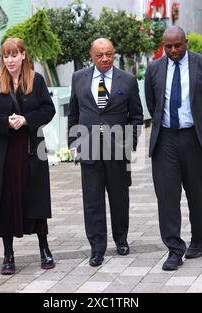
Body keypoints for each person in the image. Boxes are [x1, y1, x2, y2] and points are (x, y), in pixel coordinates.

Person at [0, 38, 56, 275]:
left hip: (30, 149)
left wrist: (26, 120)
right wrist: (5, 122)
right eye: (5, 56)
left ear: (23, 55)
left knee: (36, 198)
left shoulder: (36, 80)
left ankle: (44, 249)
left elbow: (47, 109)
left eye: (13, 55)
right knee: (6, 202)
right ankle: (8, 255)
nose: (9, 60)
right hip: (3, 152)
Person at [144, 26, 202, 271]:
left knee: (196, 192)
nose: (174, 50)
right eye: (168, 46)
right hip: (165, 138)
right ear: (163, 46)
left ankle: (199, 239)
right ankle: (174, 249)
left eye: (178, 45)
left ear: (186, 42)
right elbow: (152, 102)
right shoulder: (154, 68)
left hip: (194, 138)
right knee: (167, 195)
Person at [68, 38, 143, 267]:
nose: (105, 59)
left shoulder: (128, 80)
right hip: (88, 148)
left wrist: (128, 144)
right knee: (92, 201)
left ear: (114, 54)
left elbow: (136, 117)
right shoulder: (78, 78)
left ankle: (121, 239)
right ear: (91, 56)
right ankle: (97, 248)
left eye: (109, 54)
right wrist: (73, 143)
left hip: (117, 150)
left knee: (119, 198)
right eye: (99, 55)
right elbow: (73, 114)